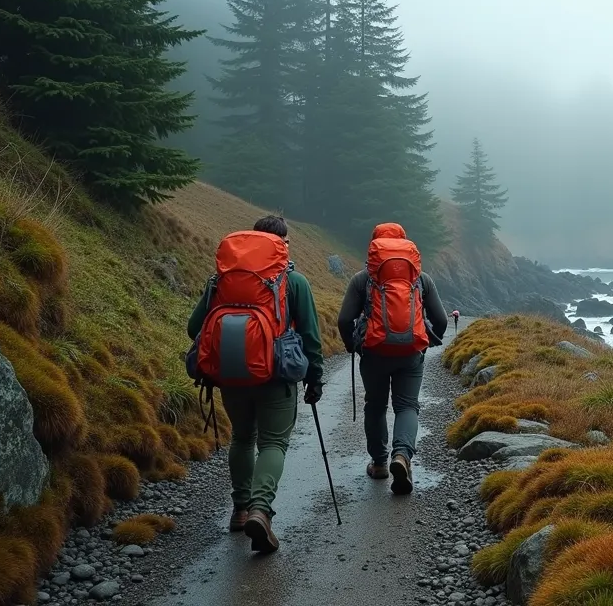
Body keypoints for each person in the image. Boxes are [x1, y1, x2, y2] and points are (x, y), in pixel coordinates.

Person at [187, 215, 324, 553]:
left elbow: (195, 328)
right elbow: (310, 336)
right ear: (281, 245)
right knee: (274, 443)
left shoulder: (220, 280)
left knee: (243, 437)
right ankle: (261, 511)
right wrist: (315, 377)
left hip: (232, 376)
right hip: (276, 376)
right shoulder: (295, 282)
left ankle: (239, 509)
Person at [337, 223, 447, 495]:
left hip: (374, 352)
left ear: (374, 248)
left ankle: (379, 463)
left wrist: (353, 345)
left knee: (375, 405)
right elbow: (441, 320)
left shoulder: (363, 279)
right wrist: (424, 343)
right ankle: (402, 456)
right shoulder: (421, 279)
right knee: (407, 405)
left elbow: (343, 320)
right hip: (410, 353)